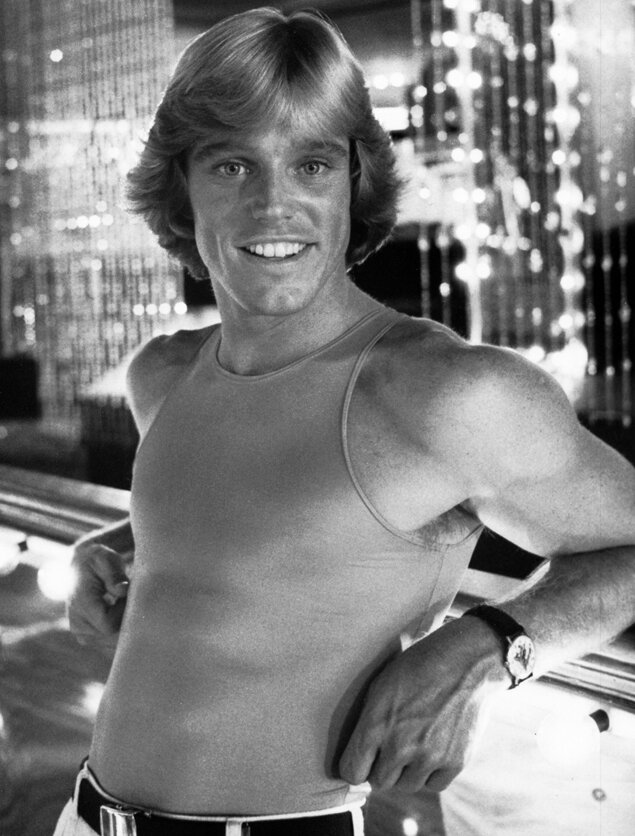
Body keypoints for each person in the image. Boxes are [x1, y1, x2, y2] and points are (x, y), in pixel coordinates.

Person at [56, 7, 635, 836]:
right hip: (84, 815)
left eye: (311, 164)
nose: (273, 205)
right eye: (231, 165)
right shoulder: (164, 373)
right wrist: (117, 546)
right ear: (179, 185)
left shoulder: (447, 392)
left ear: (352, 183)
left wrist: (486, 647)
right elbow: (264, 527)